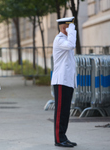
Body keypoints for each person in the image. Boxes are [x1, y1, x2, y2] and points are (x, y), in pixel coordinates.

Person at [51, 17, 77, 148]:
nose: (73, 30)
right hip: (61, 81)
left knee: (65, 111)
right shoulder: (60, 40)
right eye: (70, 27)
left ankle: (63, 136)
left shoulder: (65, 40)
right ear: (64, 28)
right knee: (60, 111)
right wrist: (72, 29)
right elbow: (72, 45)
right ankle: (59, 139)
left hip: (67, 81)